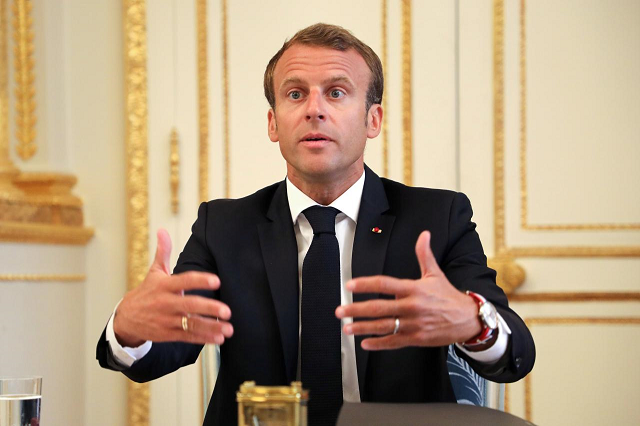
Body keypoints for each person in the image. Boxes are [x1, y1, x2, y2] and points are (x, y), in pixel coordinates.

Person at [97, 23, 535, 426]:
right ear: (273, 123)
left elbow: (516, 354)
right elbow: (166, 349)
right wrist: (128, 328)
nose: (314, 110)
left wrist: (473, 319)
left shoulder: (437, 219)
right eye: (294, 94)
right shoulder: (225, 226)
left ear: (373, 120)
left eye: (337, 92)